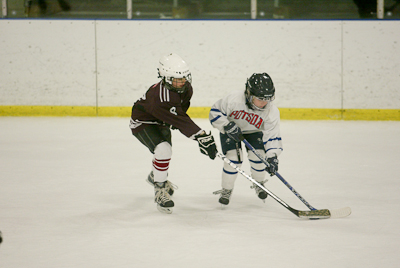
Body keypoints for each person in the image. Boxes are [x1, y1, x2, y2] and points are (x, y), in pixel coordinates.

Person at [130, 53, 217, 214]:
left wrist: (180, 123)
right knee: (163, 150)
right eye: (178, 79)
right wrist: (201, 135)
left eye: (184, 77)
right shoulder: (159, 97)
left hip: (162, 120)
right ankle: (160, 190)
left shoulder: (186, 88)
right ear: (166, 78)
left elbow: (180, 112)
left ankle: (155, 176)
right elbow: (179, 119)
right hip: (144, 122)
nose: (182, 82)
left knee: (164, 153)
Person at [209, 73, 283, 206]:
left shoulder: (271, 111)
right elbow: (214, 112)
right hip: (231, 130)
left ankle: (259, 183)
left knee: (260, 157)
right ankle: (226, 189)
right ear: (249, 94)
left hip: (254, 132)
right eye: (260, 99)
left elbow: (272, 135)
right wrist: (226, 125)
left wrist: (272, 156)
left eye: (267, 99)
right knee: (233, 159)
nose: (264, 103)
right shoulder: (233, 99)